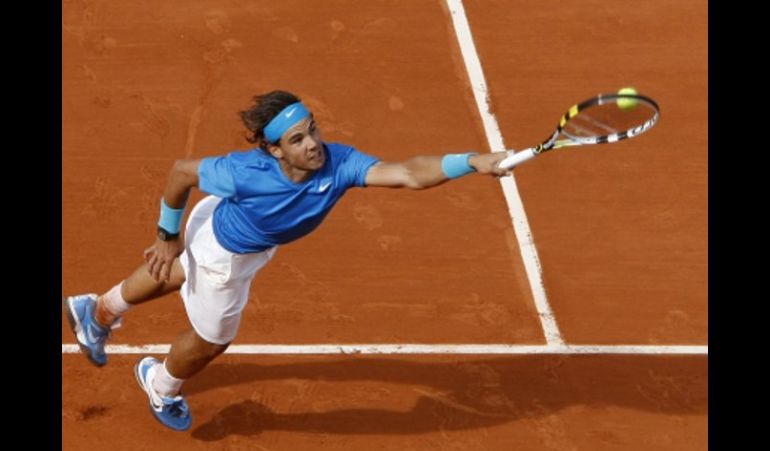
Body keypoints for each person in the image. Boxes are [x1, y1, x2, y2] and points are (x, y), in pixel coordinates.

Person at [63, 90, 511, 431]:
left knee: (182, 268)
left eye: (313, 130)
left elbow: (409, 173)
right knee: (213, 339)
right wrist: (166, 235)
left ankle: (98, 311)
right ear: (275, 150)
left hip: (218, 223)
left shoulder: (339, 162)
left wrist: (472, 161)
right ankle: (160, 384)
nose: (314, 144)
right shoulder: (243, 172)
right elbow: (182, 171)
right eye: (298, 140)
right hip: (226, 257)